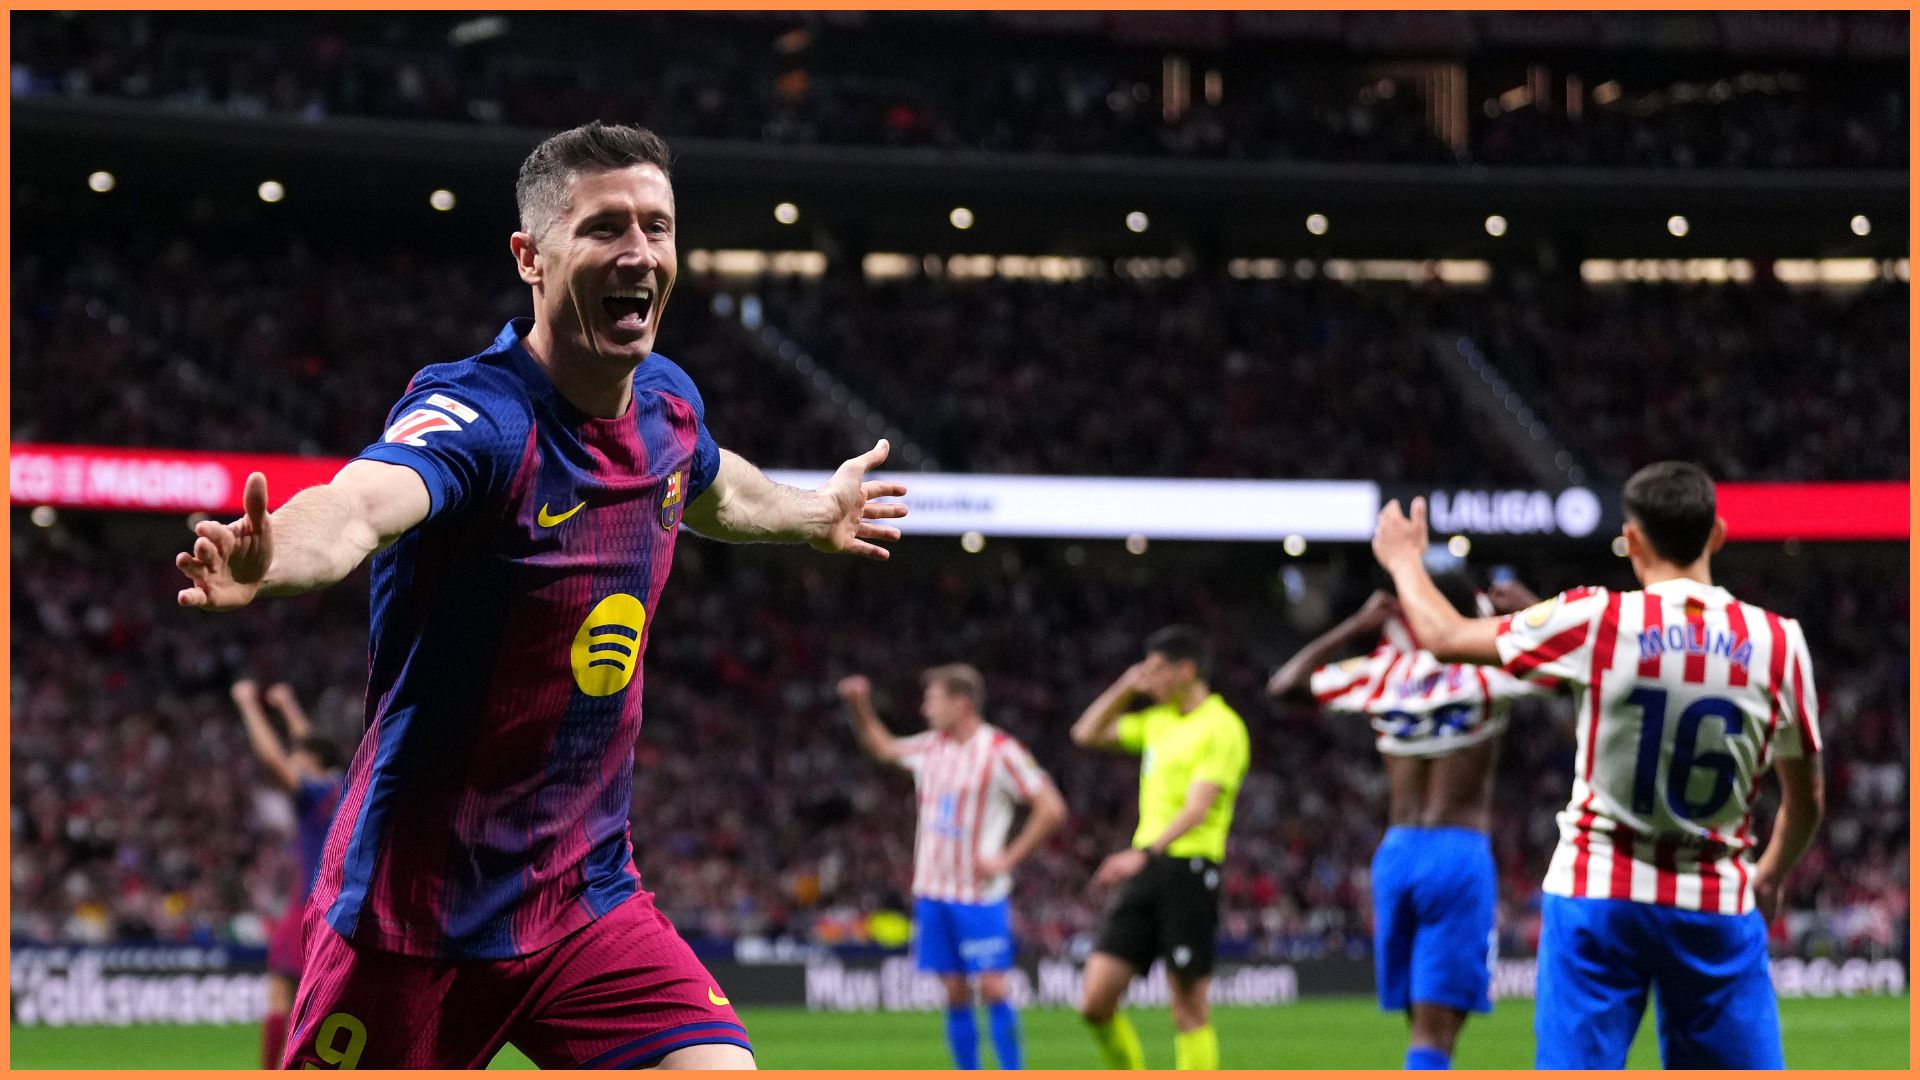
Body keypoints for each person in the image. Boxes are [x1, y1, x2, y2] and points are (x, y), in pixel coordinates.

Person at [172, 121, 908, 1070]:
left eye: (657, 226)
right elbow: (361, 505)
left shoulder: (667, 404)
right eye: (605, 228)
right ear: (530, 256)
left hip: (583, 897)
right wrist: (272, 558)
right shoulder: (481, 417)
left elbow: (721, 491)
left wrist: (818, 513)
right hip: (413, 914)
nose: (638, 252)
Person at [1370, 462, 1823, 1069]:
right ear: (1717, 534)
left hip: (1598, 892)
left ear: (1631, 541)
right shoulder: (1779, 642)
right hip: (1715, 896)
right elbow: (1807, 801)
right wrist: (1767, 876)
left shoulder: (1598, 619)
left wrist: (1404, 560)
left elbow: (1445, 636)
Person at [1267, 566, 1546, 1071]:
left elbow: (1284, 685)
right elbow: (1580, 669)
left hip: (1396, 855)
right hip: (1456, 853)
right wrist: (1530, 612)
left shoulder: (1380, 672)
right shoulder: (1489, 666)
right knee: (1436, 1032)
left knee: (1420, 1022)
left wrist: (1354, 625)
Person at [837, 665, 1067, 1070]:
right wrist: (860, 707)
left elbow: (1051, 807)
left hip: (978, 897)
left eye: (933, 699)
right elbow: (884, 748)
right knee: (954, 990)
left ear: (960, 704)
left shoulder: (999, 750)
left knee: (994, 987)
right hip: (932, 892)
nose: (925, 709)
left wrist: (1007, 859)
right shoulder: (930, 747)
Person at [1068, 626, 1250, 1071]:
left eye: (1155, 670)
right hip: (1147, 868)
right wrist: (1126, 685)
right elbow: (1085, 733)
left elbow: (1198, 808)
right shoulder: (1157, 722)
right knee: (1094, 1002)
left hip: (1188, 867)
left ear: (1185, 670)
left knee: (1187, 1008)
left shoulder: (1222, 726)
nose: (1149, 679)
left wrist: (1144, 853)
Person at [229, 679, 345, 1069]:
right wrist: (288, 704)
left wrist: (249, 705)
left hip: (307, 906)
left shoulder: (311, 793)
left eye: (301, 757)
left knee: (280, 992)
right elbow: (312, 745)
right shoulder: (345, 787)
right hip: (341, 907)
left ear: (312, 764)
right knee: (326, 1001)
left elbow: (273, 758)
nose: (295, 758)